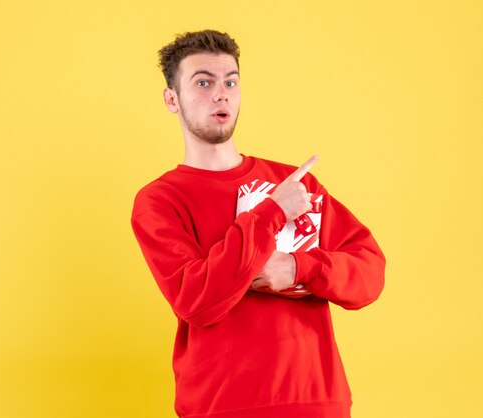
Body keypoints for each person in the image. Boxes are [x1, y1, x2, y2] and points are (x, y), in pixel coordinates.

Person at [131, 29, 385, 418]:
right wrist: (272, 213)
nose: (221, 94)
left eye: (231, 82)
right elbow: (197, 302)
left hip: (316, 400)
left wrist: (301, 268)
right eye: (203, 82)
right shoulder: (160, 200)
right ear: (172, 99)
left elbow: (369, 273)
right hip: (222, 405)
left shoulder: (296, 183)